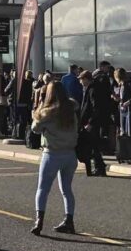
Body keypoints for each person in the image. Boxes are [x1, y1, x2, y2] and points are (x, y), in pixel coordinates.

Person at [30, 82, 78, 236]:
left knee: (43, 189)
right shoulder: (71, 110)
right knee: (66, 189)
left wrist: (38, 107)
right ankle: (69, 220)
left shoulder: (47, 113)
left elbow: (35, 129)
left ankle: (39, 220)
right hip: (70, 154)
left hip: (52, 154)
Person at [77, 70, 108, 176]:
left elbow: (96, 108)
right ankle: (100, 166)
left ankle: (100, 167)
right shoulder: (90, 88)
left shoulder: (93, 89)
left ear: (85, 79)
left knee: (93, 145)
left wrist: (90, 122)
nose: (80, 82)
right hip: (90, 122)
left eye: (81, 79)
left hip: (92, 123)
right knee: (93, 146)